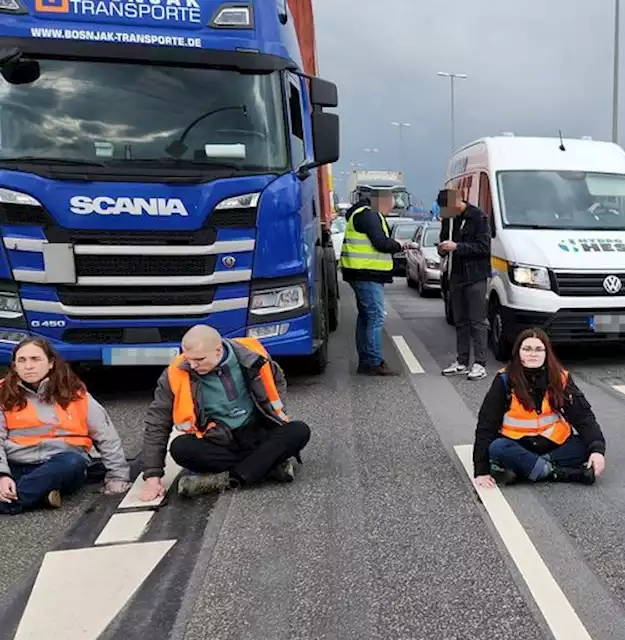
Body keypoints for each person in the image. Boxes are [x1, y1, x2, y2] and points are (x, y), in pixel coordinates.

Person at [137, 325, 312, 501]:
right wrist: (152, 477)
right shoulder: (175, 373)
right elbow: (157, 422)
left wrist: (272, 413)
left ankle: (227, 479)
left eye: (199, 359)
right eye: (188, 359)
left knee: (299, 430)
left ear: (218, 350)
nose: (192, 365)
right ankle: (267, 467)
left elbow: (277, 379)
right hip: (218, 441)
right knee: (180, 448)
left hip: (257, 433)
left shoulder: (252, 355)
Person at [0, 337, 131, 515]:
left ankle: (11, 502)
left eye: (35, 359)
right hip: (16, 463)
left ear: (51, 363)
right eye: (21, 360)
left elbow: (106, 435)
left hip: (61, 464)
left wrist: (117, 476)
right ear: (14, 366)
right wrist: (2, 475)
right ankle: (39, 494)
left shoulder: (75, 393)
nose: (28, 366)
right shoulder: (2, 392)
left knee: (72, 462)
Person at [472, 328, 605, 487]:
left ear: (546, 353)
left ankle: (531, 469)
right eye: (527, 349)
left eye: (538, 349)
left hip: (553, 444)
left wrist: (597, 451)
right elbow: (486, 424)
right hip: (516, 444)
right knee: (497, 448)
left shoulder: (561, 378)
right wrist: (481, 471)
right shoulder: (504, 380)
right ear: (518, 353)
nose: (533, 354)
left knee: (586, 445)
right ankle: (560, 473)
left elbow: (583, 417)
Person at [341, 188, 415, 376]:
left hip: (361, 272)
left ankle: (366, 360)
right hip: (366, 273)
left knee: (366, 316)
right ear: (382, 201)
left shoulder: (362, 213)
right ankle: (373, 362)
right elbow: (380, 243)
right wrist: (399, 244)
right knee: (375, 316)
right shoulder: (369, 215)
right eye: (391, 204)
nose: (391, 208)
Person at [438, 186, 493, 380]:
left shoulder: (478, 217)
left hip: (475, 276)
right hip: (455, 275)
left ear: (458, 201)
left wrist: (457, 246)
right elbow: (443, 241)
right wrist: (443, 248)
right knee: (459, 321)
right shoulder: (449, 219)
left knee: (477, 320)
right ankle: (462, 361)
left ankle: (480, 363)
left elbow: (484, 247)